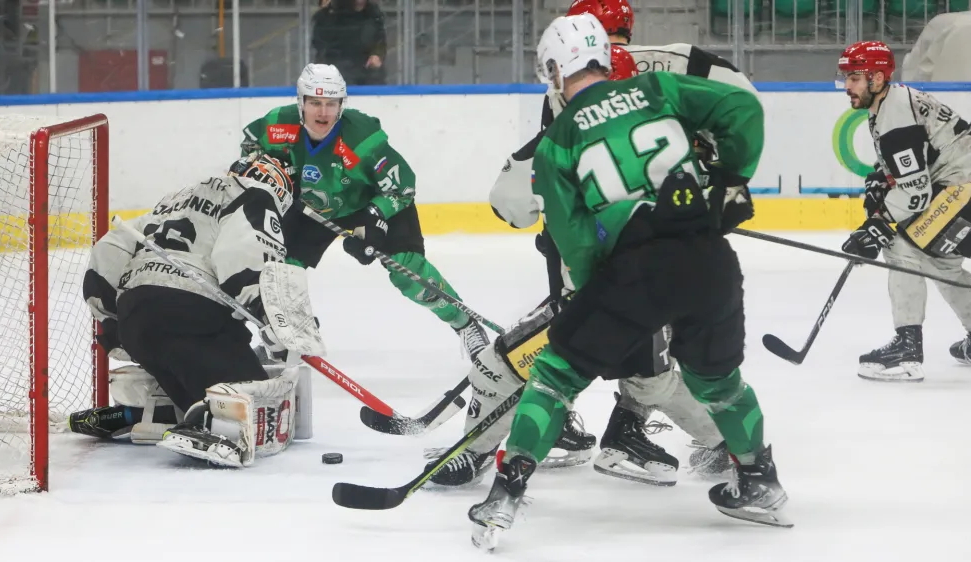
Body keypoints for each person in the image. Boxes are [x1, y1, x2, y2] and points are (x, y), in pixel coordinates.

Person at [469, 14, 789, 550]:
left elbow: (576, 244)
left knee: (553, 375)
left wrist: (605, 299)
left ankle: (505, 493)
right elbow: (742, 107)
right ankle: (761, 481)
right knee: (717, 381)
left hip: (634, 271)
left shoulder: (557, 142)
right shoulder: (656, 87)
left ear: (555, 68)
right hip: (710, 258)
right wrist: (729, 180)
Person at [421, 46, 642, 488]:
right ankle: (738, 457)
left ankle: (477, 452)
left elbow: (511, 206)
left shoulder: (560, 141)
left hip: (591, 306)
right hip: (658, 305)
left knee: (498, 367)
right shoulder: (659, 139)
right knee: (674, 382)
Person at [240, 63, 490, 361]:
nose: (323, 113)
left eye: (331, 104)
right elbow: (250, 149)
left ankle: (466, 324)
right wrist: (267, 174)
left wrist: (375, 216)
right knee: (280, 268)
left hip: (371, 202)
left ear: (341, 105)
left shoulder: (362, 137)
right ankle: (285, 336)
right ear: (301, 102)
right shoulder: (277, 125)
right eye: (315, 103)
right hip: (311, 208)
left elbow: (403, 186)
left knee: (407, 272)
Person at [73, 154, 303, 468]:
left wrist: (110, 319)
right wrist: (273, 320)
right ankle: (211, 427)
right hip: (191, 313)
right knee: (251, 395)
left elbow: (110, 248)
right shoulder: (257, 197)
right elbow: (243, 260)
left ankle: (139, 414)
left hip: (135, 316)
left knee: (185, 368)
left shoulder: (178, 198)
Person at [837, 40, 971, 383]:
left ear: (878, 78)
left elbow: (916, 192)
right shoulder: (892, 102)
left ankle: (907, 349)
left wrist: (875, 225)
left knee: (902, 244)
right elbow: (919, 163)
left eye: (854, 78)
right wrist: (882, 179)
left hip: (962, 185)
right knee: (938, 260)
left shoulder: (894, 113)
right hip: (960, 181)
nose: (847, 86)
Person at [312, 0, 387, 85]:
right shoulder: (332, 14)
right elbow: (321, 42)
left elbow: (379, 38)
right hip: (337, 71)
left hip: (367, 71)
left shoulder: (373, 14)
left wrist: (376, 54)